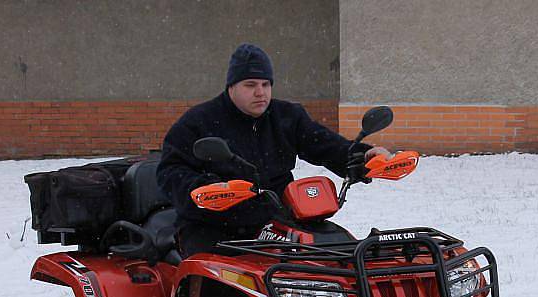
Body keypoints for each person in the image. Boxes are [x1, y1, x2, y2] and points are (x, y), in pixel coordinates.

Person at [157, 43, 389, 256]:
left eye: (265, 84)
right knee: (220, 283)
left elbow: (325, 145)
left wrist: (362, 157)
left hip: (275, 217)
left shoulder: (286, 116)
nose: (260, 92)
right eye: (250, 85)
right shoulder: (199, 121)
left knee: (331, 258)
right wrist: (207, 192)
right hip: (213, 225)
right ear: (231, 86)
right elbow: (170, 171)